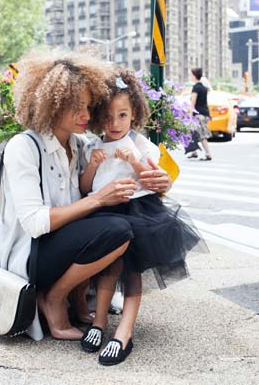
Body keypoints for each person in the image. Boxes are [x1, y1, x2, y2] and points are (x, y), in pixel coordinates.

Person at [0, 51, 172, 344]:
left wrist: (162, 181)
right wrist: (99, 199)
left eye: (90, 107)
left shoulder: (80, 146)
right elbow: (35, 223)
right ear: (52, 105)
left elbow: (124, 171)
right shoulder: (23, 147)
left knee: (120, 227)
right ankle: (53, 298)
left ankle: (78, 299)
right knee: (116, 228)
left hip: (64, 248)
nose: (87, 117)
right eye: (78, 108)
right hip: (32, 254)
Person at [78, 69, 207, 366]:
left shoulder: (141, 144)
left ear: (134, 113)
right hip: (104, 212)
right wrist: (94, 167)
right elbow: (86, 188)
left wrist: (133, 160)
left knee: (132, 273)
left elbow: (151, 179)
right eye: (108, 117)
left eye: (122, 116)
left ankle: (124, 331)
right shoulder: (92, 146)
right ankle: (98, 323)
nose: (114, 123)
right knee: (106, 270)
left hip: (138, 213)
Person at [188, 67, 212, 160]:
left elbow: (193, 102)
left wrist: (190, 115)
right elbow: (205, 102)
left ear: (194, 76)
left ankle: (208, 154)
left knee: (202, 135)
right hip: (204, 113)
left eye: (191, 75)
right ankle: (194, 152)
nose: (190, 76)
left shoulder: (196, 87)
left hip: (198, 115)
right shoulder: (203, 88)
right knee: (193, 132)